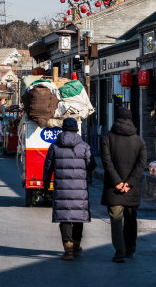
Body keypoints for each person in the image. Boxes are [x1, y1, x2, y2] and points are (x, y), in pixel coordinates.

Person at [43, 117, 95, 261]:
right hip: (80, 189)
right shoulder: (84, 146)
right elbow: (92, 165)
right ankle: (77, 246)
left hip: (62, 189)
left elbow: (48, 167)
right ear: (76, 130)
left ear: (63, 129)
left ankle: (68, 250)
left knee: (65, 218)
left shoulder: (54, 146)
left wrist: (46, 184)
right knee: (78, 217)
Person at [101, 107, 146, 263]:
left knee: (116, 220)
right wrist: (129, 184)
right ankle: (130, 249)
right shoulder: (139, 141)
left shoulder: (107, 138)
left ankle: (120, 252)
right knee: (131, 219)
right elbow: (141, 165)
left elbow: (107, 163)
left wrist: (118, 182)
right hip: (131, 190)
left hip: (114, 189)